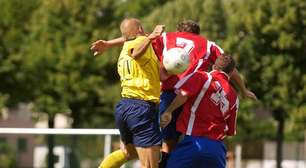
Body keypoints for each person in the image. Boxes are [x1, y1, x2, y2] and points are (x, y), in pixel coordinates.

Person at [91, 20, 256, 167]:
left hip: (166, 97)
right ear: (197, 33)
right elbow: (228, 66)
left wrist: (108, 44)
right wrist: (243, 89)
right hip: (192, 99)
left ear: (179, 31)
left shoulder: (165, 37)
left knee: (157, 148)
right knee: (187, 144)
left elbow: (133, 37)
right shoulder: (208, 45)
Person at [97, 18, 164, 168]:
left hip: (125, 107)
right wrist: (151, 36)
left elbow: (129, 39)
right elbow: (136, 53)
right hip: (141, 108)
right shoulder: (141, 42)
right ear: (140, 29)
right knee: (150, 165)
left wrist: (108, 44)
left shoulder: (127, 44)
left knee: (129, 152)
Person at [160, 54, 239, 168]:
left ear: (213, 66)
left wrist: (169, 111)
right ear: (231, 72)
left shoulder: (202, 77)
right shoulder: (234, 96)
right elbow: (230, 131)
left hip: (193, 143)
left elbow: (183, 94)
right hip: (217, 150)